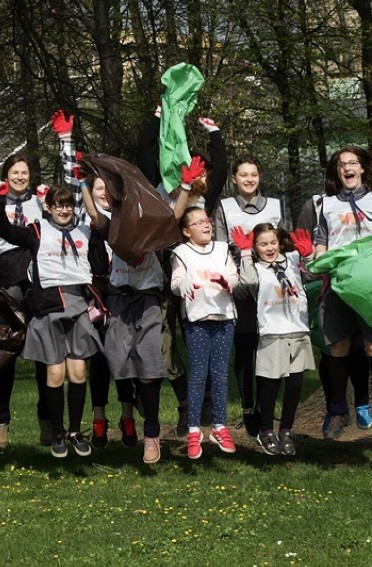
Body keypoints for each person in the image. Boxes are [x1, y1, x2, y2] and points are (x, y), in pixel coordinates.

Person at [80, 158, 196, 464]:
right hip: (119, 302)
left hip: (147, 301)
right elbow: (93, 212)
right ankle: (132, 411)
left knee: (150, 368)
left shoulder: (154, 226)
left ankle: (152, 434)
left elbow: (176, 214)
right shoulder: (112, 226)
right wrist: (82, 183)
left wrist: (186, 185)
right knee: (118, 362)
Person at [0, 180, 103, 459]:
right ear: (46, 207)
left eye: (68, 205)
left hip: (77, 306)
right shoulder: (36, 230)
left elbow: (99, 220)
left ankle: (75, 432)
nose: (64, 209)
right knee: (55, 373)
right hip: (48, 307)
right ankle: (57, 432)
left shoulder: (84, 229)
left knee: (78, 373)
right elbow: (5, 231)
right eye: (58, 205)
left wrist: (82, 182)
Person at [0, 110, 76, 450]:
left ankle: (48, 421)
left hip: (39, 280)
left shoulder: (42, 201)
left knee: (42, 353)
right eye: (15, 172)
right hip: (8, 280)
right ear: (6, 175)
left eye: (24, 172)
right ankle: (1, 420)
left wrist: (66, 143)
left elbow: (69, 194)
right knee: (6, 354)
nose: (20, 176)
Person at [137, 108, 228, 435]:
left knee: (197, 341)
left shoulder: (203, 203)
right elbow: (144, 151)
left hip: (200, 285)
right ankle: (184, 402)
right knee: (164, 345)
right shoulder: (157, 191)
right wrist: (158, 118)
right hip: (162, 280)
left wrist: (215, 134)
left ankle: (202, 402)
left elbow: (222, 171)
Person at [312, 147, 372, 441]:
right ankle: (339, 411)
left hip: (370, 285)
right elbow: (320, 244)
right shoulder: (325, 204)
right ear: (337, 171)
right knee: (337, 346)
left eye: (353, 163)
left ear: (363, 169)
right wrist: (319, 259)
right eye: (342, 165)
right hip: (339, 284)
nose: (348, 169)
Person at [212, 157, 283, 439]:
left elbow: (283, 244)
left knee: (268, 346)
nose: (249, 179)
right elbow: (218, 248)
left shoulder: (276, 206)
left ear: (260, 177)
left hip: (270, 285)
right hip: (240, 285)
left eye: (254, 174)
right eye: (244, 175)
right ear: (234, 179)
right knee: (244, 347)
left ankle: (265, 410)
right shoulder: (225, 208)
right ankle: (247, 406)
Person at [233, 223, 315, 456]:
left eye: (272, 242)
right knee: (270, 384)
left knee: (295, 384)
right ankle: (266, 430)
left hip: (298, 330)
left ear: (279, 242)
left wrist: (308, 256)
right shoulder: (256, 268)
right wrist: (246, 254)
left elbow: (311, 276)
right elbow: (248, 285)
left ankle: (286, 431)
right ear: (255, 246)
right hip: (271, 332)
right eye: (262, 244)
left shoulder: (292, 260)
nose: (269, 248)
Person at [295, 193, 372, 434]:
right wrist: (308, 256)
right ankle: (334, 409)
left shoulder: (367, 201)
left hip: (360, 282)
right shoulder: (314, 205)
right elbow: (299, 242)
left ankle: (362, 402)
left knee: (359, 345)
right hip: (322, 285)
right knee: (330, 348)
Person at [170, 206, 238, 459]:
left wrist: (227, 282)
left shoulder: (222, 249)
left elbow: (234, 276)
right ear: (187, 231)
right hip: (197, 320)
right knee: (199, 375)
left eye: (207, 221)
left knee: (220, 375)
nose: (206, 225)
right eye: (198, 223)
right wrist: (182, 284)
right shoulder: (181, 253)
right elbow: (176, 282)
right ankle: (194, 430)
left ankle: (220, 427)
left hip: (224, 318)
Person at [86, 175, 140, 449]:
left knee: (124, 358)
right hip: (97, 299)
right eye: (99, 188)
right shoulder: (87, 227)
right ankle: (99, 419)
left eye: (109, 189)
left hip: (124, 298)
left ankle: (128, 416)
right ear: (90, 193)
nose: (105, 193)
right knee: (99, 360)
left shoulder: (128, 222)